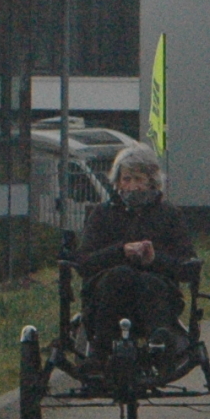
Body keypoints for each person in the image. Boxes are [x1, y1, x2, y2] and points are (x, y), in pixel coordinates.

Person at [75, 144, 196, 359]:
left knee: (148, 282)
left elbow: (187, 264)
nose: (133, 186)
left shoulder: (169, 215)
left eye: (139, 179)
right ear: (117, 182)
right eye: (127, 179)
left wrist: (154, 259)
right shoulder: (101, 215)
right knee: (121, 275)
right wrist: (120, 252)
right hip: (107, 293)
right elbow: (85, 263)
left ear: (152, 181)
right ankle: (101, 347)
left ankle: (159, 342)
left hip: (156, 289)